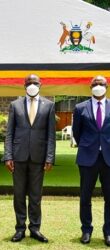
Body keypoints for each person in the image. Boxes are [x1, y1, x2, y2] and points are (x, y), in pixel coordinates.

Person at [4, 74, 56, 243]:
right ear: (24, 85)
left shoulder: (49, 105)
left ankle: (35, 228)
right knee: (19, 195)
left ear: (40, 85)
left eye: (35, 82)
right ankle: (20, 229)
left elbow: (51, 134)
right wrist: (8, 156)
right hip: (18, 157)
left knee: (35, 195)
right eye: (29, 83)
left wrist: (49, 158)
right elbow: (9, 133)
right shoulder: (15, 105)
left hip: (39, 157)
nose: (32, 85)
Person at [72, 75, 110, 246]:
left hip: (109, 158)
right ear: (90, 87)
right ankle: (86, 230)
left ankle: (108, 232)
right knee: (85, 197)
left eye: (101, 83)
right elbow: (76, 132)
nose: (98, 86)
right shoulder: (80, 108)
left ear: (107, 86)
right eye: (95, 83)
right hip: (87, 158)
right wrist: (89, 146)